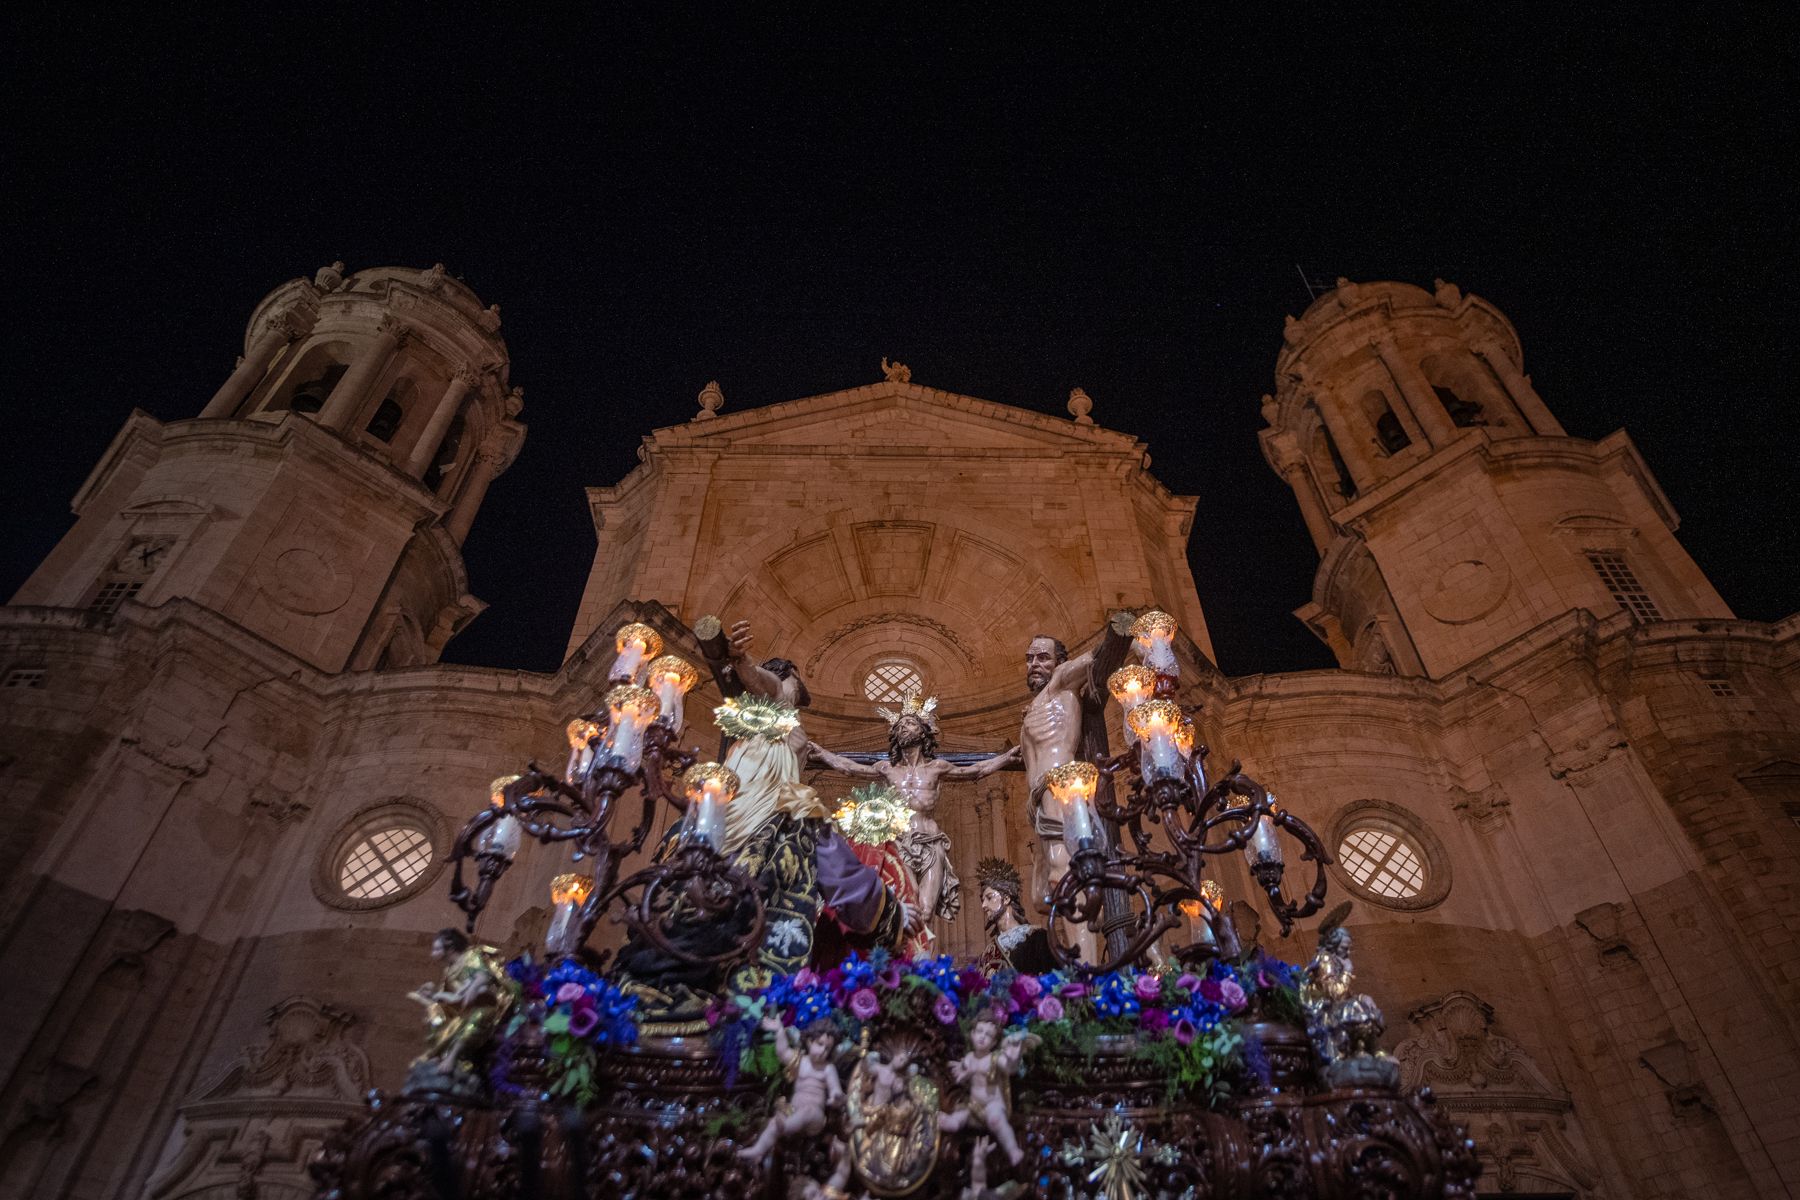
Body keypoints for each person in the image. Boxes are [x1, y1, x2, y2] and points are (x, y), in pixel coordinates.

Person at [809, 693, 1018, 934]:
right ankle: (907, 963)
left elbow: (976, 771)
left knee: (927, 910)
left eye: (908, 723)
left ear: (922, 731)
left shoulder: (937, 768)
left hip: (931, 842)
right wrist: (823, 753)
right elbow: (849, 768)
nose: (902, 728)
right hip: (900, 842)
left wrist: (1005, 758)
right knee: (909, 902)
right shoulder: (886, 769)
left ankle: (924, 966)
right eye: (898, 725)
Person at [1018, 615, 1133, 956]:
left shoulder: (1061, 682)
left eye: (1042, 657)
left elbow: (1093, 659)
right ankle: (1086, 934)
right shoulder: (1035, 707)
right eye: (1029, 658)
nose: (1034, 664)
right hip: (1038, 798)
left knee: (1063, 875)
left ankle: (1087, 970)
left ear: (1058, 662)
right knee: (1042, 896)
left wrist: (1129, 639)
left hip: (1060, 787)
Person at [403, 928, 510, 1096]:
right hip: (461, 1009)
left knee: (476, 1019)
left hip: (483, 1005)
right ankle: (436, 1054)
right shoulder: (448, 971)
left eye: (437, 949)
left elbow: (483, 976)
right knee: (437, 1017)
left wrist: (472, 989)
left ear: (450, 947)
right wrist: (432, 995)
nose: (433, 954)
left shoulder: (470, 956)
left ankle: (452, 1057)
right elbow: (450, 997)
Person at [738, 1016, 844, 1162]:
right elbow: (783, 1052)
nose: (823, 1051)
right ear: (809, 1041)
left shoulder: (828, 1068)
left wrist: (836, 1097)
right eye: (820, 1044)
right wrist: (779, 1031)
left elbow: (835, 1089)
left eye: (827, 1048)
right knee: (775, 1122)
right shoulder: (800, 1061)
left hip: (815, 1117)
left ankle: (785, 1128)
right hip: (793, 1111)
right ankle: (758, 1150)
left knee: (807, 1111)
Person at [938, 1014, 1038, 1166]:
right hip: (973, 1105)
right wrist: (960, 1071)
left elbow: (1009, 1069)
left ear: (994, 1042)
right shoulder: (969, 1057)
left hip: (993, 1104)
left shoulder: (995, 1058)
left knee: (996, 1121)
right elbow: (962, 1074)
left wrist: (1013, 1057)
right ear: (972, 1034)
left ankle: (1012, 1150)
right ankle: (952, 1123)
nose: (982, 1037)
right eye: (979, 1032)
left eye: (988, 1035)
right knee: (961, 1114)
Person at [975, 858, 1057, 975]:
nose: (984, 905)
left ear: (1007, 898)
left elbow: (1056, 981)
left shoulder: (1038, 939)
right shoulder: (988, 952)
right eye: (982, 900)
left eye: (989, 897)